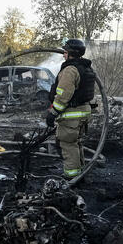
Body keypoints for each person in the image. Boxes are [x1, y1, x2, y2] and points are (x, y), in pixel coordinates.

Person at [45, 38, 96, 179]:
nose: (63, 55)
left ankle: (72, 177)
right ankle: (80, 173)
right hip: (83, 112)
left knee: (68, 145)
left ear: (71, 53)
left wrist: (53, 113)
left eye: (65, 52)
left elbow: (63, 96)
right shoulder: (86, 67)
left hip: (72, 114)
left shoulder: (70, 70)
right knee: (75, 143)